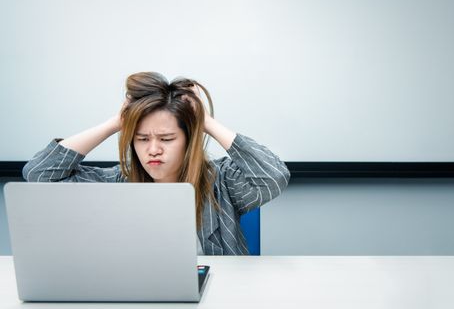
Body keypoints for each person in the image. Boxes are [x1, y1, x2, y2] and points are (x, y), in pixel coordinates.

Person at [22, 72, 290, 255]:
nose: (153, 150)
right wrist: (115, 124)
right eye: (141, 139)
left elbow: (273, 176)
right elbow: (40, 174)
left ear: (188, 139)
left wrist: (205, 122)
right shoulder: (117, 183)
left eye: (167, 138)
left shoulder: (222, 181)